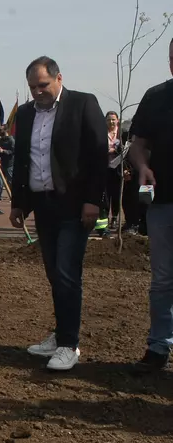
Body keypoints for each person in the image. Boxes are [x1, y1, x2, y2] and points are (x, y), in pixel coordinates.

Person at [9, 56, 107, 371]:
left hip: (74, 205)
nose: (38, 92)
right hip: (43, 204)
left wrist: (93, 200)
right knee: (54, 273)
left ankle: (69, 344)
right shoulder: (26, 114)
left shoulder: (83, 104)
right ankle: (61, 332)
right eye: (32, 87)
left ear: (59, 78)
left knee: (67, 272)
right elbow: (22, 159)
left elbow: (98, 156)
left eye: (43, 85)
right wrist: (18, 202)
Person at [128, 39, 173, 372]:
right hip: (164, 202)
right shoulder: (156, 97)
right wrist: (142, 166)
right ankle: (159, 346)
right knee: (163, 280)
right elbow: (137, 145)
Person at [104, 111, 123, 230]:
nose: (111, 122)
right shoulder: (102, 133)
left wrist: (115, 150)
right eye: (108, 120)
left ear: (117, 120)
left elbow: (126, 150)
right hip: (105, 168)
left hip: (118, 169)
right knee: (105, 195)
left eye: (113, 119)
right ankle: (105, 218)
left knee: (116, 194)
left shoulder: (122, 134)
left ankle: (115, 218)